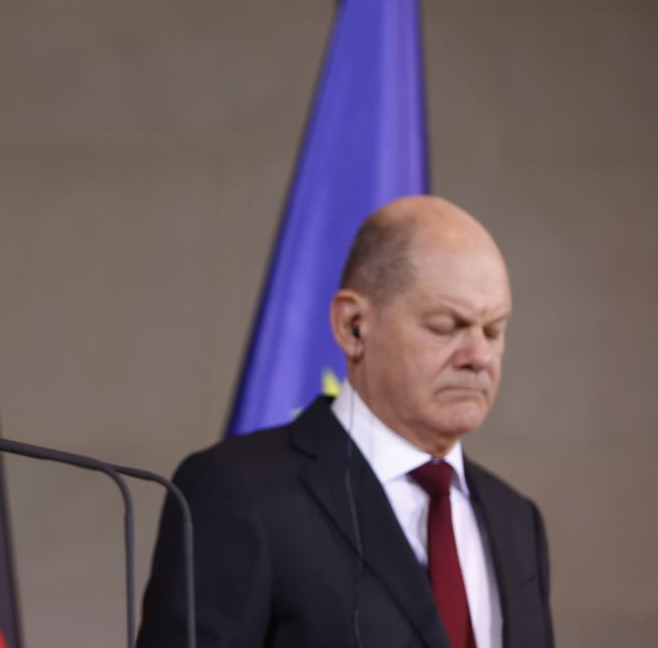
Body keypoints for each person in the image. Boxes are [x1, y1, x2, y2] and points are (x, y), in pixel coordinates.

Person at [137, 196, 554, 648]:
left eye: (493, 330)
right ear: (352, 325)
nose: (479, 357)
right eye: (444, 325)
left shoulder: (517, 520)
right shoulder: (238, 491)